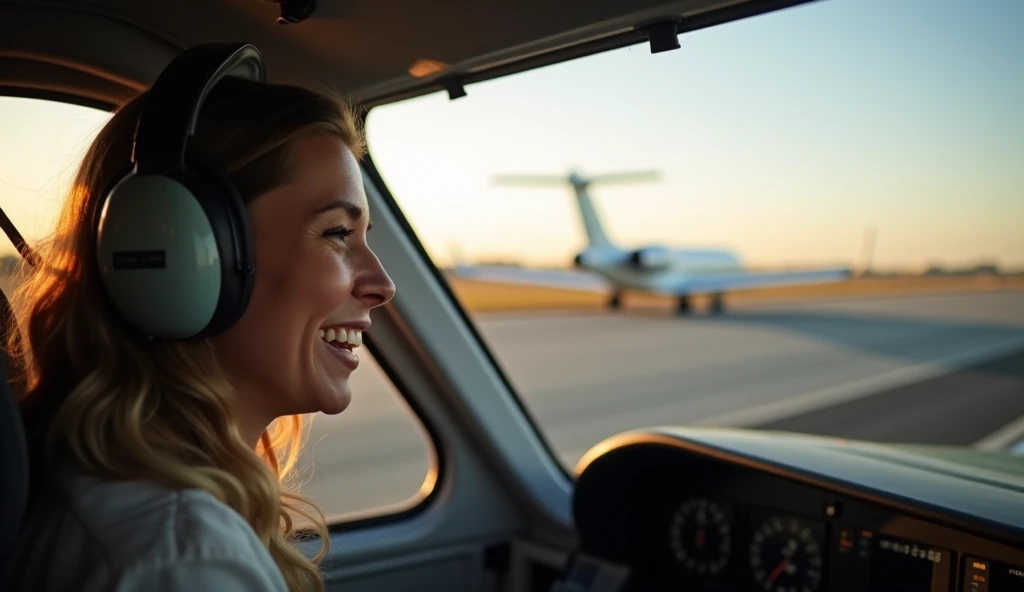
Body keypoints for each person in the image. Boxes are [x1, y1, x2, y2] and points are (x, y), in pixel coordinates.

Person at [0, 63, 396, 591]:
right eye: (337, 232)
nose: (383, 284)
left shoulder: (107, 490)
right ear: (178, 257)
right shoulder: (178, 558)